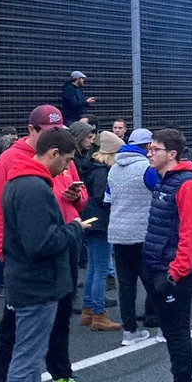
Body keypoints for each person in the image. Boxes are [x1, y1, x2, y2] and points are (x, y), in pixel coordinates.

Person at [0, 105, 89, 382]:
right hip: (29, 254)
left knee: (58, 317)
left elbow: (78, 199)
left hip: (61, 244)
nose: (52, 136)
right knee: (15, 330)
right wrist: (3, 253)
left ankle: (59, 375)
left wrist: (75, 198)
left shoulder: (62, 158)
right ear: (31, 130)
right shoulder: (10, 161)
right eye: (45, 130)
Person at [0, 127, 87, 382]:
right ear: (53, 153)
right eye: (65, 160)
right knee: (25, 358)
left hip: (29, 281)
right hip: (36, 283)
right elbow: (41, 243)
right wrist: (74, 228)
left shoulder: (20, 182)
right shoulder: (35, 188)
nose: (65, 169)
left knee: (31, 355)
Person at [142, 129, 192, 382]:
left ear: (172, 154)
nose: (149, 153)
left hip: (174, 273)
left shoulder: (188, 185)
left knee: (178, 334)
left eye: (154, 149)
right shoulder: (167, 181)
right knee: (171, 333)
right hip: (161, 266)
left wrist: (175, 273)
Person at [108, 128, 161, 345]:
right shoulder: (147, 168)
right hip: (142, 232)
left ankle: (129, 331)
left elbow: (107, 199)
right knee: (153, 283)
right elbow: (159, 195)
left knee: (126, 286)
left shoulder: (112, 169)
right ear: (147, 146)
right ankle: (165, 329)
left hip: (118, 234)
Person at [80, 131, 123, 331]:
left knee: (93, 267)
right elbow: (101, 198)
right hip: (101, 223)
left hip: (91, 222)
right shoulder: (103, 173)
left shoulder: (92, 168)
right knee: (101, 269)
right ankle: (98, 313)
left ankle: (88, 309)